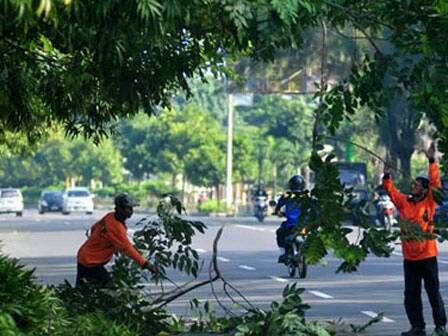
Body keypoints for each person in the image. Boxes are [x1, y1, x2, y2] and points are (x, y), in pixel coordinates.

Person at [383, 142, 446, 336]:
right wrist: (386, 175)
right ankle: (417, 327)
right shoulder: (405, 203)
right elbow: (391, 192)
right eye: (413, 184)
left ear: (425, 190)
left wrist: (431, 160)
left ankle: (440, 326)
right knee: (411, 295)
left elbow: (435, 183)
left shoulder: (429, 202)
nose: (413, 186)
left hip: (427, 256)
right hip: (409, 259)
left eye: (417, 185)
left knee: (433, 293)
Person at [76, 193, 157, 288]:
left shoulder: (110, 216)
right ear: (120, 209)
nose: (131, 211)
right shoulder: (116, 227)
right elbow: (128, 249)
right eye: (128, 208)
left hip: (84, 255)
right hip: (91, 261)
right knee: (110, 289)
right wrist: (146, 264)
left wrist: (101, 242)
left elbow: (94, 228)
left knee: (82, 291)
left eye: (132, 208)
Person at [274, 175, 306, 263]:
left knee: (280, 233)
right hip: (306, 224)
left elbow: (279, 206)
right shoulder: (307, 195)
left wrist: (277, 211)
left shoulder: (287, 195)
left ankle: (284, 253)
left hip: (291, 225)